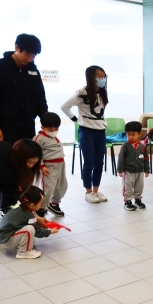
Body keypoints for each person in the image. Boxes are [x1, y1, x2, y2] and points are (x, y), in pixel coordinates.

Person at [0, 34, 48, 145]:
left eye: (33, 56)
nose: (29, 59)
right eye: (27, 54)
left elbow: (40, 97)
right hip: (5, 126)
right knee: (7, 154)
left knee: (28, 155)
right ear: (17, 48)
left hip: (28, 125)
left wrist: (46, 120)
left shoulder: (33, 71)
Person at [61, 65, 109, 204]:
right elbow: (64, 107)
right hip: (87, 131)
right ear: (91, 77)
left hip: (100, 131)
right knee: (89, 162)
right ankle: (88, 191)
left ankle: (96, 190)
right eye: (100, 76)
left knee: (99, 162)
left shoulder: (102, 91)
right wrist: (75, 119)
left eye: (104, 76)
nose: (103, 79)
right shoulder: (82, 92)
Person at [0, 186, 57, 259]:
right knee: (30, 229)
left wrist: (38, 220)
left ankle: (21, 245)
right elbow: (37, 231)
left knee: (30, 234)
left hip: (2, 235)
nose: (40, 206)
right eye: (40, 204)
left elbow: (28, 221)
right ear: (32, 205)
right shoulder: (27, 215)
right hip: (6, 239)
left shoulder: (20, 206)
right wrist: (49, 232)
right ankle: (24, 252)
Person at [34, 112, 67, 218]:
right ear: (42, 127)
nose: (53, 132)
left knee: (62, 186)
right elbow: (36, 153)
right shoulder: (39, 138)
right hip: (49, 167)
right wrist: (41, 166)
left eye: (56, 129)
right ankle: (41, 208)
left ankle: (54, 204)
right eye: (50, 129)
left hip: (60, 165)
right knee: (48, 188)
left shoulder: (55, 138)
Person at [117, 122, 149, 211]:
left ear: (139, 134)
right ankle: (127, 201)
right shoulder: (125, 146)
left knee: (139, 186)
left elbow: (146, 158)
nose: (130, 136)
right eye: (128, 134)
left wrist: (147, 169)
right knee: (128, 186)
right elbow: (121, 158)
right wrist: (120, 170)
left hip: (140, 171)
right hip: (128, 171)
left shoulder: (142, 146)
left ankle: (138, 200)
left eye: (133, 134)